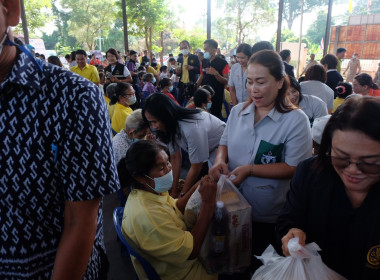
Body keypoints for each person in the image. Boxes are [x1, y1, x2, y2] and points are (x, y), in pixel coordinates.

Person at [0, 1, 119, 278]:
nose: (78, 62)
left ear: (11, 10)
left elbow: (80, 220)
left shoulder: (75, 96)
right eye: (75, 59)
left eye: (81, 59)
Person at [209, 50, 312, 265]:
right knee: (231, 264)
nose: (253, 89)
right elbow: (224, 143)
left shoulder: (295, 120)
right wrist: (220, 160)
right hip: (231, 207)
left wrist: (250, 169)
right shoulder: (237, 112)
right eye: (249, 82)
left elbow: (295, 167)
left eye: (261, 82)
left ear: (279, 82)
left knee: (260, 266)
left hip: (268, 214)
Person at [277, 96, 380, 280]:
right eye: (341, 157)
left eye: (370, 163)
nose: (353, 170)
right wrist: (291, 233)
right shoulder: (310, 173)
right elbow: (289, 219)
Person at [119, 141, 217, 280]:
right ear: (139, 177)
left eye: (168, 163)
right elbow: (192, 251)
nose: (169, 170)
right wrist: (208, 203)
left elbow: (175, 207)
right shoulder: (149, 217)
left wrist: (196, 187)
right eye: (161, 168)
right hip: (183, 273)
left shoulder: (150, 190)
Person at [143, 94, 226, 198]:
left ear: (166, 115)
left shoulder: (191, 127)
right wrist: (173, 191)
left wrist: (182, 195)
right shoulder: (170, 127)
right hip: (207, 153)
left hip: (223, 151)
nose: (153, 127)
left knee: (213, 191)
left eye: (155, 122)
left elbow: (196, 167)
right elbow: (175, 157)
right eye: (150, 123)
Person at [196, 39, 230, 119]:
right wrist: (195, 85)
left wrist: (216, 74)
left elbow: (226, 81)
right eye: (204, 49)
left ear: (214, 50)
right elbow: (201, 76)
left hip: (216, 95)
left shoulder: (223, 63)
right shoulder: (204, 61)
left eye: (206, 49)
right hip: (204, 94)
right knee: (203, 116)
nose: (204, 51)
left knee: (215, 117)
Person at [176, 40, 200, 106]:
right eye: (182, 48)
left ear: (189, 47)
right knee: (179, 102)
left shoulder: (195, 57)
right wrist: (178, 72)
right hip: (181, 84)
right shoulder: (179, 59)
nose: (183, 49)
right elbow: (177, 72)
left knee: (192, 103)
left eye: (185, 47)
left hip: (192, 84)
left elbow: (200, 70)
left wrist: (192, 68)